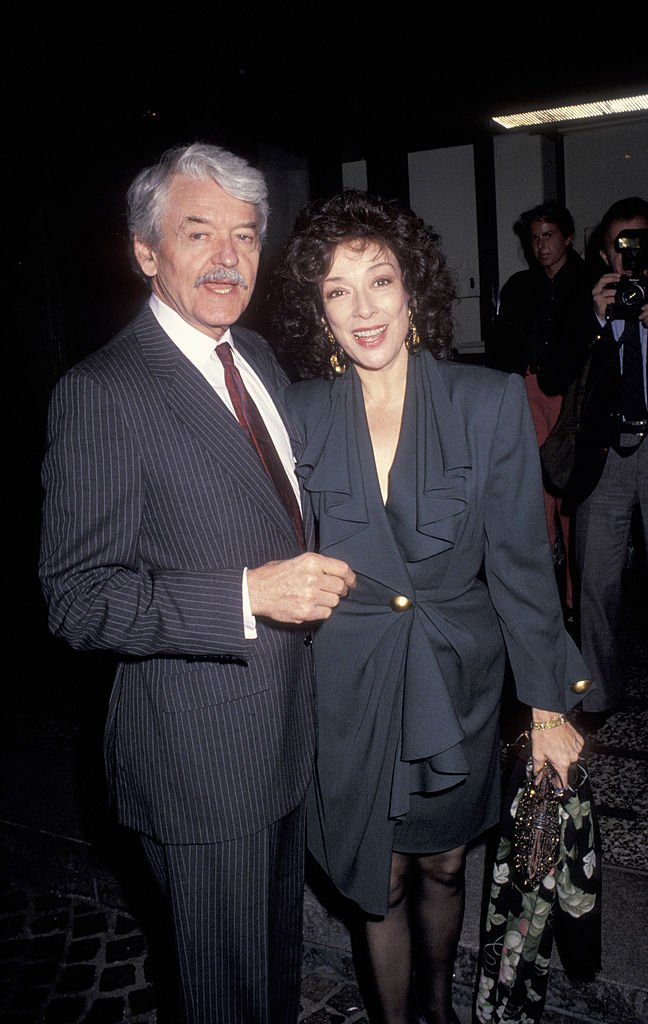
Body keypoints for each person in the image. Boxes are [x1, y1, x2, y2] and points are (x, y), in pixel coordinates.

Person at [39, 142, 356, 1024]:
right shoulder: (101, 392)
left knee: (274, 978)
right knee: (225, 998)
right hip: (200, 766)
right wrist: (244, 597)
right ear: (147, 252)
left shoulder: (254, 353)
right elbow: (76, 597)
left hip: (286, 735)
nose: (227, 258)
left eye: (246, 236)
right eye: (199, 232)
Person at [273, 190, 590, 1024]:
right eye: (338, 291)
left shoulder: (483, 403)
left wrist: (551, 703)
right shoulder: (296, 414)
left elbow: (523, 565)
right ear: (319, 309)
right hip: (348, 677)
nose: (363, 308)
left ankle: (440, 1009)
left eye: (379, 281)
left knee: (447, 863)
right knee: (376, 878)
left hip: (456, 673)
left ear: (414, 288)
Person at [489, 202, 592, 616]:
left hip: (572, 395)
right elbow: (501, 346)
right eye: (534, 238)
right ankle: (542, 601)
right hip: (526, 391)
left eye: (548, 235)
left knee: (570, 496)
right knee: (533, 500)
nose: (540, 245)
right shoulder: (519, 287)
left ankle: (576, 600)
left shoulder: (588, 282)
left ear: (566, 237)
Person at [570, 196, 648, 723]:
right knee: (596, 580)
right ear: (604, 252)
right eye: (621, 245)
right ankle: (598, 694)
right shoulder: (584, 307)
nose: (631, 255)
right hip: (606, 454)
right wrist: (598, 322)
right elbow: (554, 376)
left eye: (640, 242)